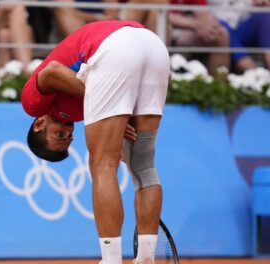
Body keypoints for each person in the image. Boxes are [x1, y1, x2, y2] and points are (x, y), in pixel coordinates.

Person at [22, 20, 170, 264]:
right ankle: (146, 258)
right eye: (69, 138)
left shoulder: (33, 106)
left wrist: (115, 102)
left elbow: (51, 71)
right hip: (154, 48)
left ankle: (111, 260)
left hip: (115, 47)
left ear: (40, 125)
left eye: (60, 135)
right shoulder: (74, 114)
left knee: (102, 165)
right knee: (142, 164)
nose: (69, 133)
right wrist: (121, 112)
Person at [168, 0, 230, 75]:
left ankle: (218, 84)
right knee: (166, 27)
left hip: (188, 29)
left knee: (220, 34)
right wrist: (196, 24)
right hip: (170, 27)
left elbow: (202, 11)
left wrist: (208, 27)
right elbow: (159, 12)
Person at [209, 0, 270, 72]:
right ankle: (247, 65)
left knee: (266, 16)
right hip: (216, 25)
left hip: (242, 27)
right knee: (219, 25)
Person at [52, 0, 119, 38]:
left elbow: (112, 15)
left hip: (101, 27)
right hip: (74, 28)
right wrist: (96, 17)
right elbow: (65, 12)